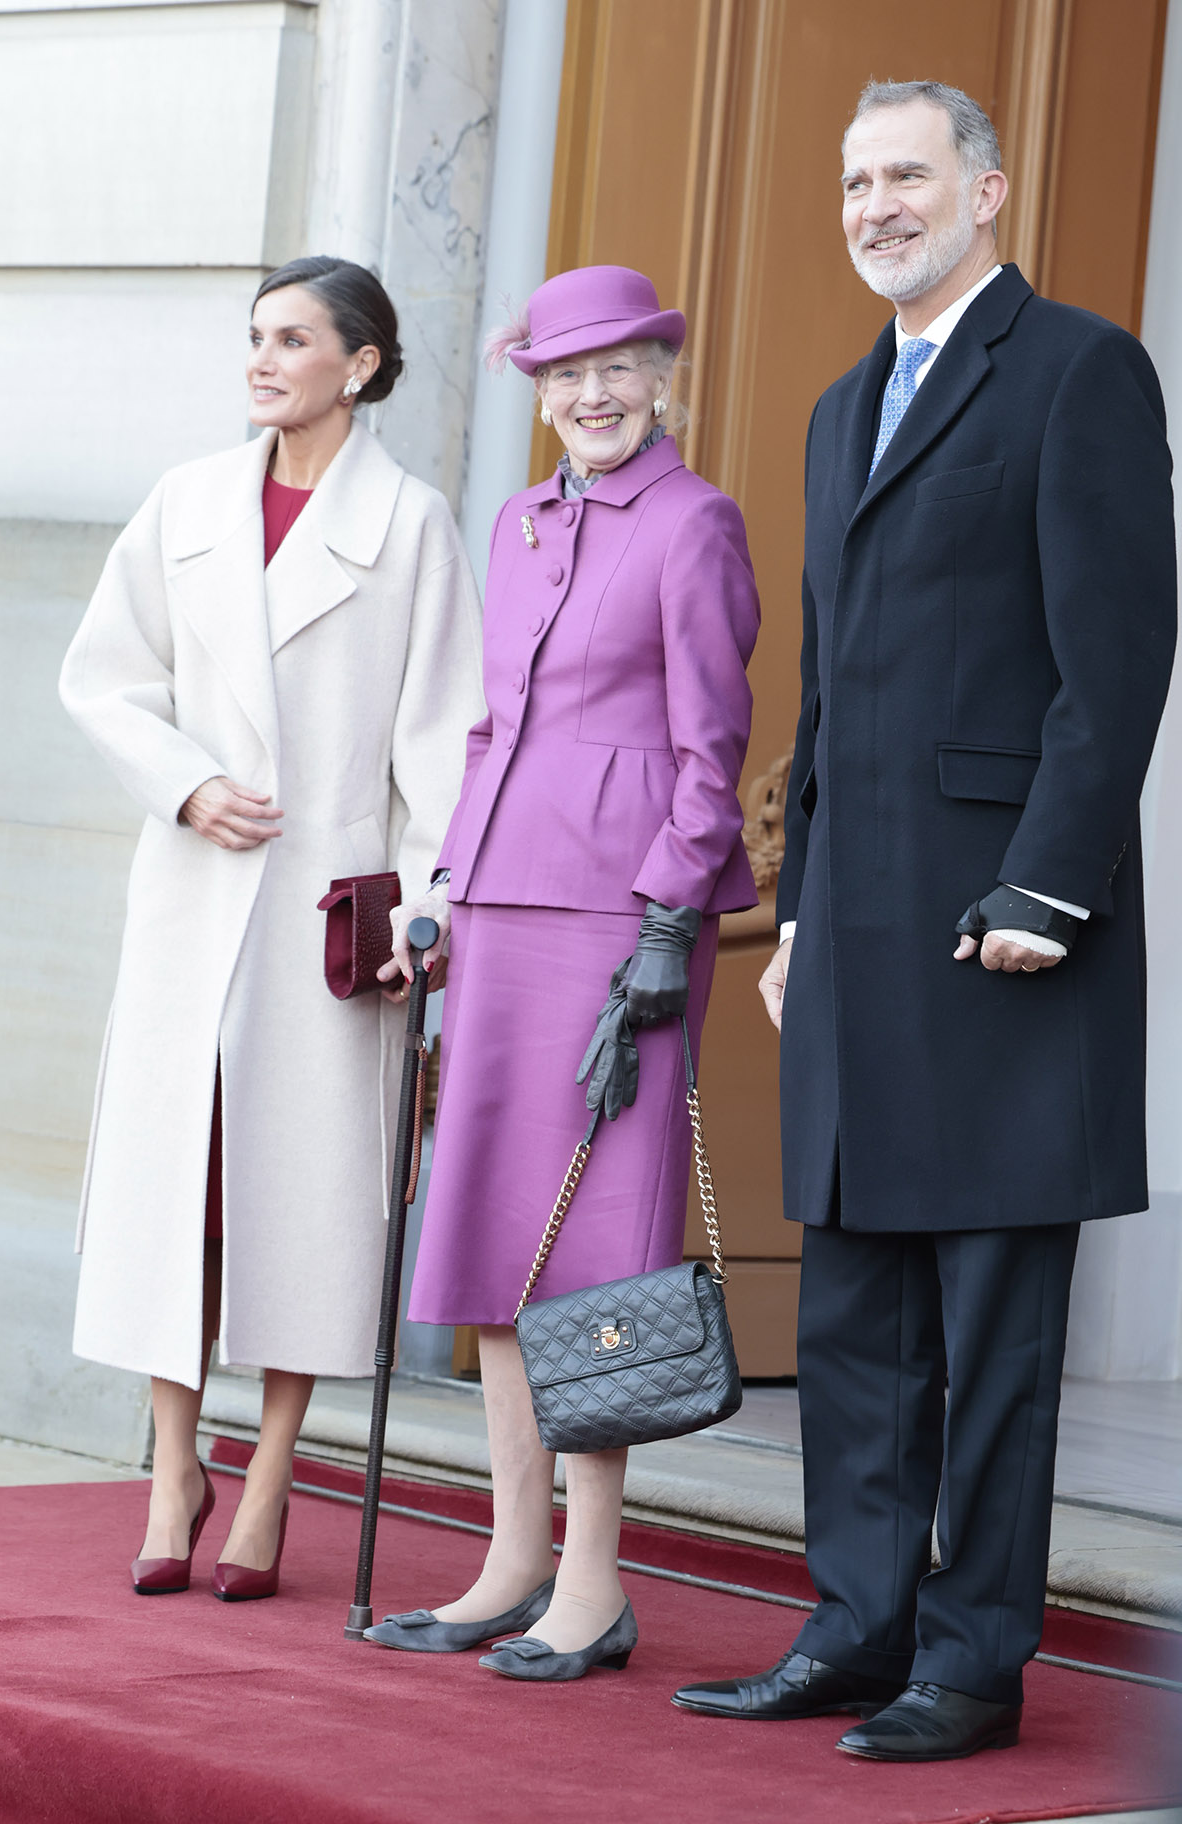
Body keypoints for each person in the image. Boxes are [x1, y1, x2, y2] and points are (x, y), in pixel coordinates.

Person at [673, 82, 1176, 1757]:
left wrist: (1047, 884)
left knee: (993, 1323)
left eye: (904, 173)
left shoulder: (1081, 371)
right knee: (854, 1307)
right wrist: (802, 911)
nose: (873, 203)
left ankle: (973, 1660)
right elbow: (829, 696)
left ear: (988, 188)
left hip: (1008, 931)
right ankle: (857, 1625)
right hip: (859, 935)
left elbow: (1110, 673)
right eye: (850, 180)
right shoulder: (838, 407)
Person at [60, 255, 483, 1599]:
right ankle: (174, 1461)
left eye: (291, 337)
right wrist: (185, 783)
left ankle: (279, 1467)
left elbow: (445, 743)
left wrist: (428, 908)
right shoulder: (185, 502)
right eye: (253, 334)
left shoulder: (411, 524)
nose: (260, 357)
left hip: (329, 914)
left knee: (305, 1201)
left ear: (358, 364)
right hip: (192, 896)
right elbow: (104, 680)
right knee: (176, 1189)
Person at [372, 265, 760, 1680]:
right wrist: (446, 891)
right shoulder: (522, 521)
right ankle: (510, 1561)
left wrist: (670, 923)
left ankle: (592, 1587)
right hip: (501, 916)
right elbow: (489, 732)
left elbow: (714, 751)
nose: (588, 395)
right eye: (562, 372)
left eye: (616, 367)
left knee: (595, 1255)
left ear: (662, 374)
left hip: (616, 931)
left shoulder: (695, 524)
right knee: (491, 1237)